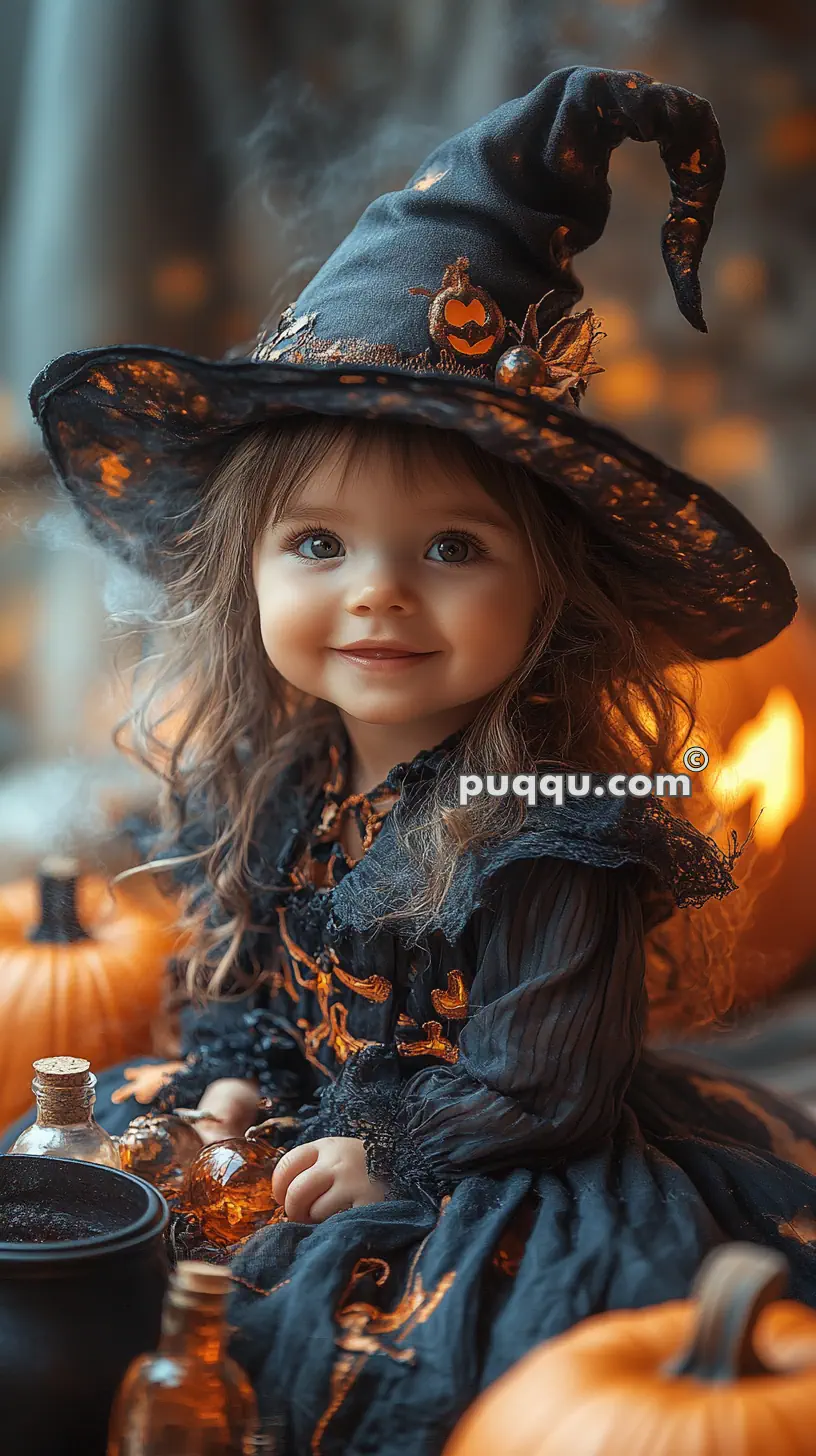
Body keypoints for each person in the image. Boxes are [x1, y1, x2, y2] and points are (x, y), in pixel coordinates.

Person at [12, 65, 816, 1456]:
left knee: (392, 1343)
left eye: (452, 547)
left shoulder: (564, 825)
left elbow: (545, 1077)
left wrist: (394, 1153)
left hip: (488, 1159)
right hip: (313, 1115)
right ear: (241, 577)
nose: (378, 594)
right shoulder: (280, 783)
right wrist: (240, 1076)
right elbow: (251, 970)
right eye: (319, 545)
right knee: (101, 1222)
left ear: (551, 594)